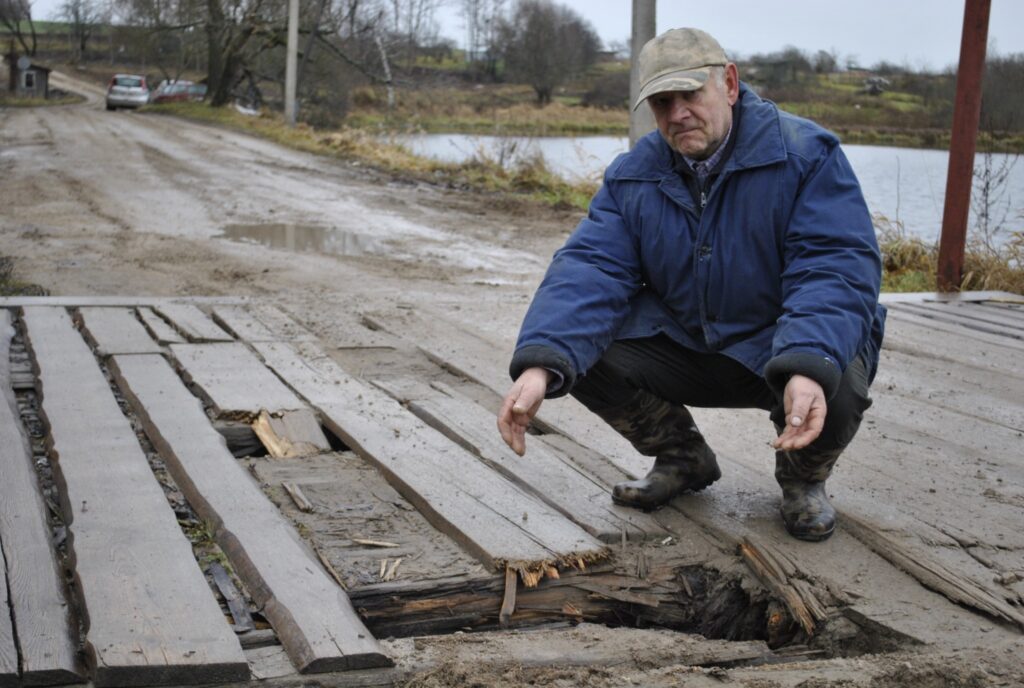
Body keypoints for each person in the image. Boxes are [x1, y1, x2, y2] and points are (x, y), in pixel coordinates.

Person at [496, 27, 885, 542]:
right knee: (575, 353)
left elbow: (833, 267)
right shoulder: (632, 175)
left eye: (689, 95)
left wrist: (809, 362)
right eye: (662, 102)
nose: (677, 114)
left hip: (777, 347)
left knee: (835, 371)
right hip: (689, 341)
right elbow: (591, 268)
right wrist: (540, 364)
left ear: (729, 83)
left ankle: (803, 477)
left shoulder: (807, 156)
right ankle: (682, 457)